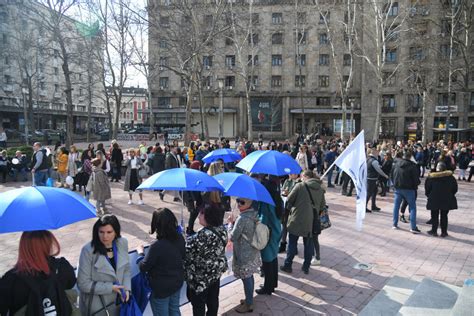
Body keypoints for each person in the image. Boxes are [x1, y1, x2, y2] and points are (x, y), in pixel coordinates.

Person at [0, 230, 76, 315]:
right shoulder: (62, 267)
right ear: (48, 244)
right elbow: (72, 283)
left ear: (23, 247)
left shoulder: (10, 280)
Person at [77, 215, 131, 316]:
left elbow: (126, 268)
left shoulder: (123, 243)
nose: (105, 236)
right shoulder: (88, 250)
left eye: (109, 232)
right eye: (101, 232)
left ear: (116, 232)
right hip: (98, 306)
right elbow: (83, 284)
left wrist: (127, 289)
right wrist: (110, 287)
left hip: (120, 303)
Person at [137, 208, 185, 316]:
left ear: (156, 224)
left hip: (161, 289)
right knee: (174, 310)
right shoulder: (180, 238)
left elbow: (143, 267)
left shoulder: (156, 246)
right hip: (177, 282)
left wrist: (140, 254)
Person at [184, 204, 228, 316]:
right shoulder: (222, 230)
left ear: (208, 216)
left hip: (200, 278)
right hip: (215, 273)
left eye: (201, 214)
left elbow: (186, 254)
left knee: (199, 305)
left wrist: (184, 239)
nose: (198, 216)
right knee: (213, 301)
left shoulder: (201, 236)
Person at [281, 170, 325, 274]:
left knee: (292, 243)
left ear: (305, 177)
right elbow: (322, 206)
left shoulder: (300, 186)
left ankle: (288, 265)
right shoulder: (320, 189)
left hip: (296, 218)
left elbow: (289, 200)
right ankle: (306, 267)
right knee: (308, 244)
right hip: (311, 221)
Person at [228, 198, 261, 313]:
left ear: (249, 204)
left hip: (244, 253)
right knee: (249, 276)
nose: (238, 204)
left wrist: (230, 225)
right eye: (238, 201)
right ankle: (249, 299)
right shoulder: (253, 214)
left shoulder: (242, 218)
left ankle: (249, 304)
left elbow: (233, 237)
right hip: (252, 251)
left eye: (242, 202)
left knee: (246, 278)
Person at [255, 200, 281, 295]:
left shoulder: (266, 202)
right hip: (276, 230)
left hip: (268, 233)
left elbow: (263, 220)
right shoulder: (277, 199)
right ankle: (273, 283)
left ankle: (268, 287)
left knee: (267, 260)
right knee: (273, 257)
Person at [391, 150, 421, 233]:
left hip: (398, 188)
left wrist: (394, 184)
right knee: (412, 207)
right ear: (410, 157)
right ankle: (413, 227)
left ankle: (394, 224)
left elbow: (392, 175)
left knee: (396, 206)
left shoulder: (396, 164)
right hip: (409, 189)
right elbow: (415, 179)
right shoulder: (412, 166)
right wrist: (417, 184)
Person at [425, 162, 458, 237]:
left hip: (434, 199)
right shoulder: (451, 178)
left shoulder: (431, 178)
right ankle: (444, 232)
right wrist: (450, 195)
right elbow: (455, 189)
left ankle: (434, 231)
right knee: (444, 216)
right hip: (446, 199)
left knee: (434, 215)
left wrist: (429, 195)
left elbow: (427, 189)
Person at [279, 173, 300, 252]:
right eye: (289, 174)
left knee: (293, 227)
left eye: (292, 173)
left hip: (294, 208)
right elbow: (283, 191)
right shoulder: (287, 181)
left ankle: (294, 247)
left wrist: (289, 193)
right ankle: (283, 243)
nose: (290, 175)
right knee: (284, 225)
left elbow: (297, 195)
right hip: (286, 206)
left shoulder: (299, 183)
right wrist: (284, 192)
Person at [366, 147, 389, 213]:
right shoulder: (374, 161)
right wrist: (385, 175)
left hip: (369, 178)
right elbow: (379, 170)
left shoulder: (368, 159)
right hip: (372, 179)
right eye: (377, 151)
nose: (378, 153)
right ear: (374, 152)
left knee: (374, 191)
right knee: (369, 193)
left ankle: (373, 206)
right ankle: (365, 207)